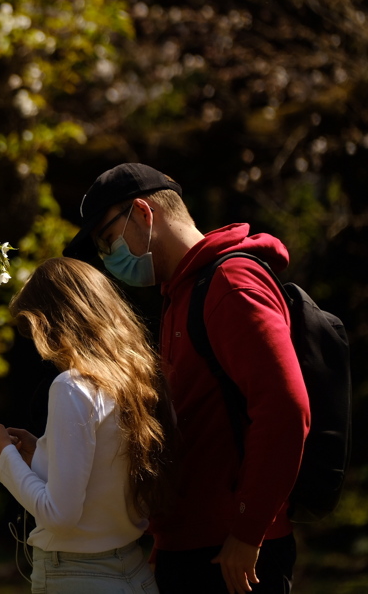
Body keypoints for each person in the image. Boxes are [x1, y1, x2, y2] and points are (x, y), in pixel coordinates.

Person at [63, 163, 311, 594]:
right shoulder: (181, 291)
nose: (108, 259)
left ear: (143, 213)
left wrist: (248, 531)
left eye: (108, 240)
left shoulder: (229, 284)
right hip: (193, 546)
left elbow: (286, 408)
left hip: (231, 555)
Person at [0, 256, 172, 594]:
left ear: (49, 322)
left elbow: (59, 514)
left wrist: (3, 456)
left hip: (78, 575)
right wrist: (41, 451)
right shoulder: (129, 379)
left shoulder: (72, 386)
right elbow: (102, 475)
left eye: (32, 329)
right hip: (132, 570)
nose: (40, 349)